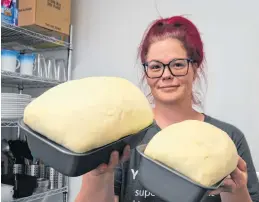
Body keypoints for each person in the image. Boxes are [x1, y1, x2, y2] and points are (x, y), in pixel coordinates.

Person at [75, 16, 259, 202]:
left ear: (195, 68)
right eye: (155, 67)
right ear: (146, 73)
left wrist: (236, 191)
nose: (166, 75)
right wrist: (96, 176)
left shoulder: (229, 139)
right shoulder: (125, 136)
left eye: (178, 65)